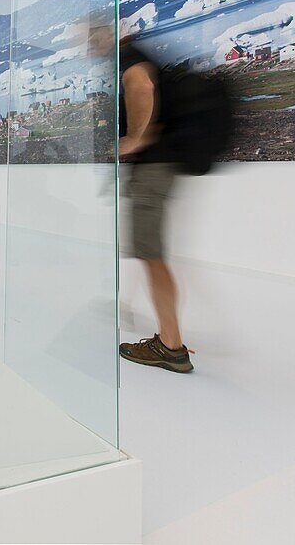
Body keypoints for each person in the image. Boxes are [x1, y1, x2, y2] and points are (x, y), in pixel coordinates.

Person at [113, 34, 194, 374]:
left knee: (152, 256)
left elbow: (142, 86)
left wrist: (134, 139)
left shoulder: (128, 56)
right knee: (152, 255)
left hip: (152, 171)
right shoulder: (141, 53)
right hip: (161, 168)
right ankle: (170, 337)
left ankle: (171, 346)